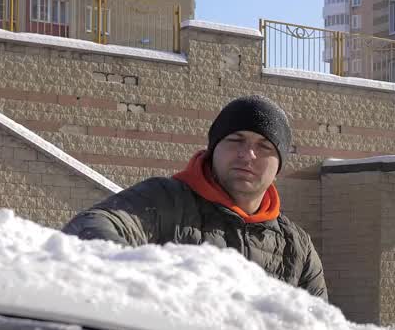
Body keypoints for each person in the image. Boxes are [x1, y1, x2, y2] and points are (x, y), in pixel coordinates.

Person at [62, 95, 327, 299]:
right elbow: (89, 228)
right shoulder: (165, 200)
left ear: (278, 166)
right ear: (213, 149)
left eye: (264, 146)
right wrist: (153, 284)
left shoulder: (296, 247)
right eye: (236, 140)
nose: (248, 155)